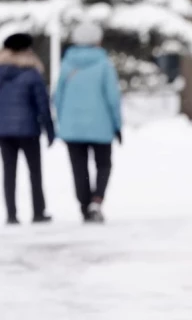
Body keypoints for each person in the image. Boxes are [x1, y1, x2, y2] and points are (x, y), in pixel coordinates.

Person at [52, 22, 123, 224]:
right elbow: (113, 98)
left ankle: (84, 206)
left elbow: (58, 97)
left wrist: (63, 120)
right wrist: (117, 124)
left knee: (79, 168)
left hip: (72, 128)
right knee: (103, 164)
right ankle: (97, 200)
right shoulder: (104, 64)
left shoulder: (67, 64)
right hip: (101, 125)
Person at [0, 32, 55, 225]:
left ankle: (11, 214)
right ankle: (38, 212)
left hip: (4, 131)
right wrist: (49, 129)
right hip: (28, 130)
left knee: (9, 172)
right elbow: (42, 105)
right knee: (34, 172)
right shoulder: (32, 73)